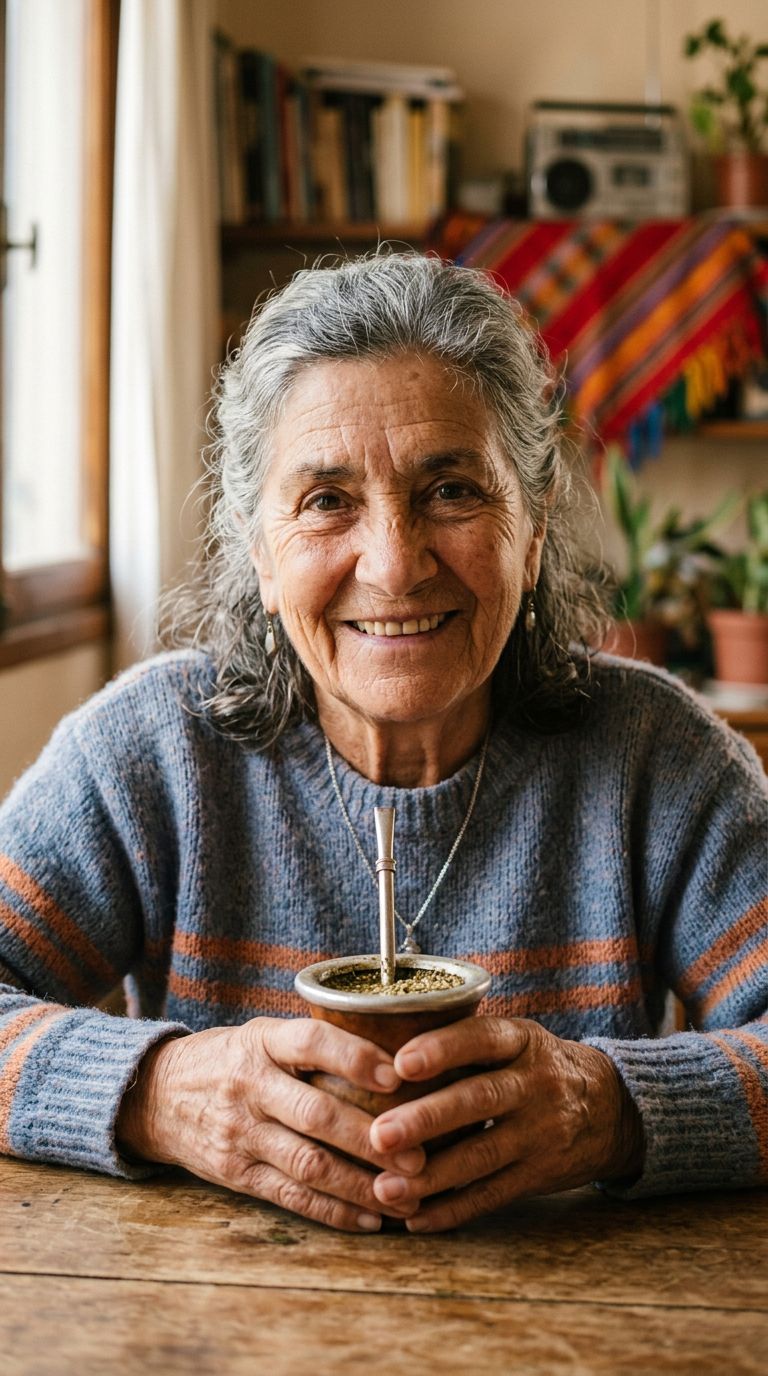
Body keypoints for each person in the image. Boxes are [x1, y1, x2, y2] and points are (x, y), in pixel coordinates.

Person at [0, 253, 765, 1234]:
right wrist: (158, 1091)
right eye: (327, 501)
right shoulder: (150, 755)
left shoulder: (659, 760)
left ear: (532, 531)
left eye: (451, 490)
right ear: (259, 552)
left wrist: (609, 1111)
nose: (395, 565)